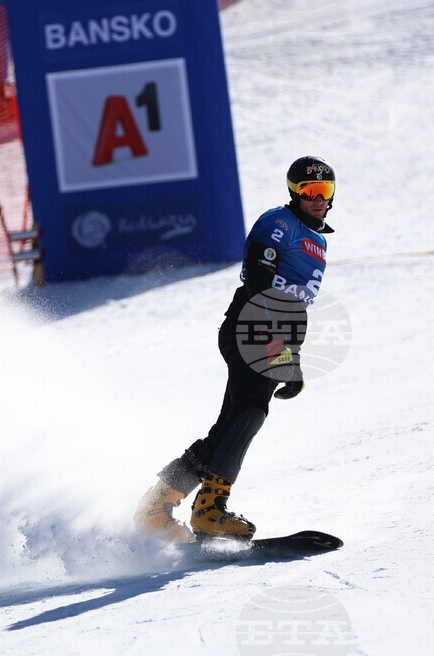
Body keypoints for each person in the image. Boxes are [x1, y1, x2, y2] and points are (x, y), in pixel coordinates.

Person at [135, 156, 336, 542]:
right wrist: (280, 346)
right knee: (249, 414)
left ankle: (156, 505)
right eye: (310, 191)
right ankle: (210, 510)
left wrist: (291, 354)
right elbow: (260, 282)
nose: (318, 199)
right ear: (295, 193)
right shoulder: (280, 223)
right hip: (254, 324)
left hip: (271, 329)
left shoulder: (319, 240)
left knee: (231, 424)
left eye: (324, 191)